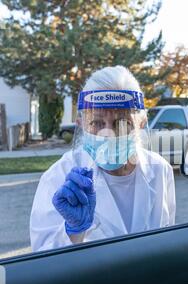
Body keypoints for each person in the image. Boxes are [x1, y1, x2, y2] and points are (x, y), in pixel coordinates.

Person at [30, 66, 176, 252]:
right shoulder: (57, 177)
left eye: (123, 123)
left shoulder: (160, 170)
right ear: (81, 124)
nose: (109, 134)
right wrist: (73, 233)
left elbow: (168, 245)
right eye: (96, 122)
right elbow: (42, 262)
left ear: (141, 123)